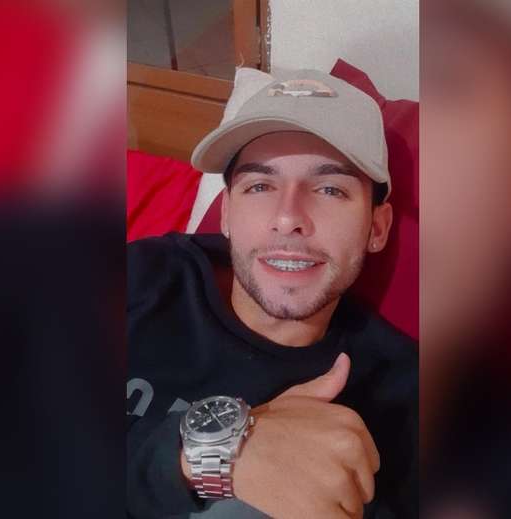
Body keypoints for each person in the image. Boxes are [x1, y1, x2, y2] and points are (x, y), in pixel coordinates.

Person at [127, 68, 418, 518]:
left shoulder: (404, 396)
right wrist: (211, 455)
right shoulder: (144, 275)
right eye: (260, 186)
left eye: (330, 189)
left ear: (377, 228)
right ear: (226, 213)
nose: (287, 218)